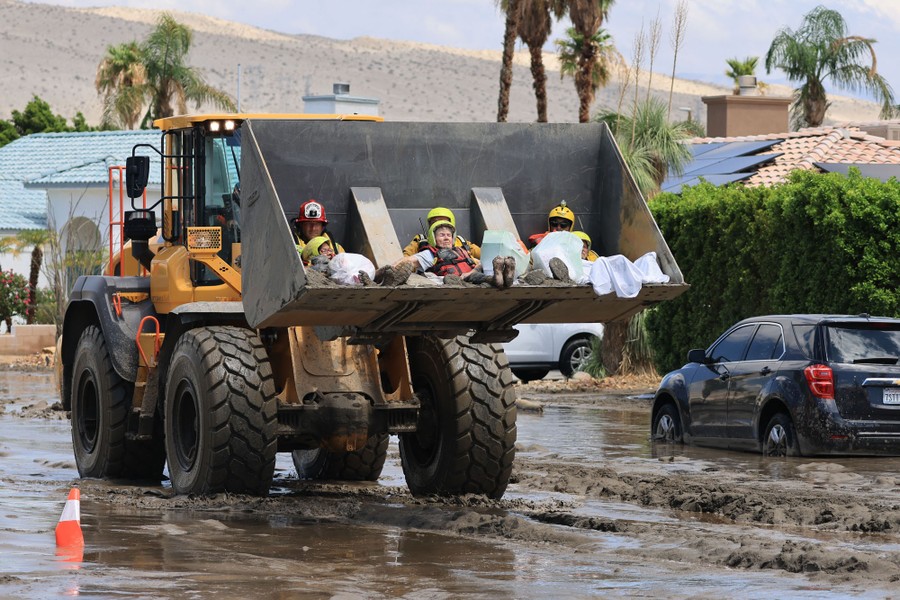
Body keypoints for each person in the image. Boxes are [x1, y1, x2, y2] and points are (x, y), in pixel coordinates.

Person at [385, 221, 515, 288]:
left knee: (480, 274)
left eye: (449, 235)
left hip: (470, 278)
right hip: (450, 281)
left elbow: (479, 264)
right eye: (442, 235)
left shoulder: (463, 251)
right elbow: (410, 260)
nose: (446, 238)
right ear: (433, 238)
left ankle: (501, 276)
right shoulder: (430, 253)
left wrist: (468, 274)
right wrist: (390, 270)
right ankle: (498, 279)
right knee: (478, 278)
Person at [402, 206, 481, 259]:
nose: (439, 224)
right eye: (434, 222)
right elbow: (406, 257)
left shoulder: (461, 241)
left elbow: (483, 255)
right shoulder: (421, 240)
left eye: (443, 221)